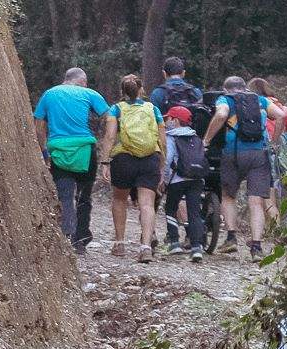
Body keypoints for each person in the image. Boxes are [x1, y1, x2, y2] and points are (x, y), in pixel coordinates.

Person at [33, 68, 112, 252]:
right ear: (83, 81)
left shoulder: (49, 94)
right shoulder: (89, 93)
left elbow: (39, 126)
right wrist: (107, 141)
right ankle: (81, 239)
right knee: (84, 196)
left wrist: (44, 151)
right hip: (85, 149)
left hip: (59, 149)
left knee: (65, 195)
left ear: (66, 79)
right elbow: (109, 117)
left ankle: (67, 233)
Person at [204, 75, 273, 260]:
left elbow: (220, 114)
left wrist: (207, 139)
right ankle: (257, 247)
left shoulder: (225, 99)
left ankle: (231, 238)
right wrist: (274, 142)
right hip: (259, 154)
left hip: (233, 153)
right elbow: (282, 115)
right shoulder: (259, 99)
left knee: (228, 195)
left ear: (225, 89)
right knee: (256, 201)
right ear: (244, 88)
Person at [105, 75, 165, 262]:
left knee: (119, 199)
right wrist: (161, 164)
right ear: (141, 90)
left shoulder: (116, 109)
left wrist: (105, 162)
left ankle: (119, 243)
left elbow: (109, 136)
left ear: (122, 91)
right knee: (147, 204)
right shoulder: (153, 109)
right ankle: (146, 247)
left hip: (123, 159)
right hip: (150, 159)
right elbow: (162, 140)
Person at [160, 105, 208, 259]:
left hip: (177, 179)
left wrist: (164, 179)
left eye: (168, 118)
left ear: (175, 120)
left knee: (170, 208)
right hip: (196, 179)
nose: (166, 121)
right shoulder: (196, 137)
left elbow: (167, 161)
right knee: (194, 211)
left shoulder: (171, 137)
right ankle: (197, 247)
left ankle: (174, 243)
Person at [150, 56, 201, 121]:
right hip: (192, 130)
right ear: (183, 73)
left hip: (166, 130)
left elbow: (154, 119)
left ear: (164, 73)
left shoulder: (157, 93)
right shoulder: (195, 91)